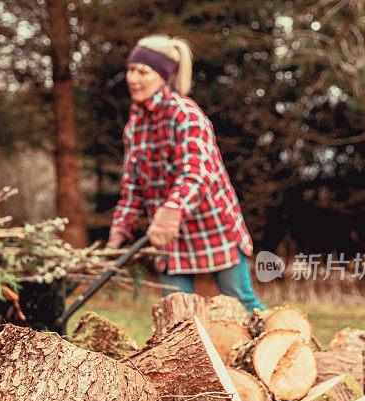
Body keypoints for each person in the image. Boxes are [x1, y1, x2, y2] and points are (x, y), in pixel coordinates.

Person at [107, 34, 266, 313]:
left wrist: (172, 209)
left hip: (213, 226)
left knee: (242, 302)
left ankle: (283, 349)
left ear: (164, 76)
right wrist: (120, 230)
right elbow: (133, 187)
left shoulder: (186, 114)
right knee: (176, 312)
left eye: (143, 71)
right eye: (130, 70)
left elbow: (197, 170)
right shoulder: (134, 127)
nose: (133, 78)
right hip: (170, 238)